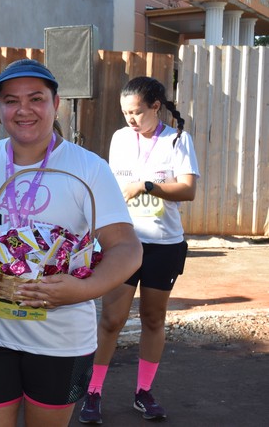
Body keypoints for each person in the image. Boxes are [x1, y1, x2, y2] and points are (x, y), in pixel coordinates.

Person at [0, 59, 142, 427]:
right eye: (11, 100)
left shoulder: (88, 167)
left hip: (61, 342)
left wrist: (84, 289)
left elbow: (127, 248)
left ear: (55, 103)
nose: (23, 109)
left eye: (36, 99)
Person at [79, 76, 199, 424]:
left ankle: (143, 393)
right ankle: (93, 392)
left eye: (136, 112)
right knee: (112, 319)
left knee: (152, 318)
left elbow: (188, 191)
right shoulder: (119, 139)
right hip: (122, 244)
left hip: (165, 246)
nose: (130, 120)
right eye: (125, 113)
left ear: (156, 107)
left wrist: (147, 186)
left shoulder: (178, 139)